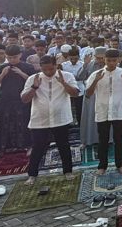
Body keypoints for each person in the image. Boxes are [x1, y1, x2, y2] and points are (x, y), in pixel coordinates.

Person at [20, 55, 79, 184]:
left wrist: (63, 83)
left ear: (56, 66)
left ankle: (68, 171)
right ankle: (32, 175)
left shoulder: (67, 76)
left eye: (51, 69)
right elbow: (24, 99)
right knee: (38, 147)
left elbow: (75, 93)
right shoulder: (33, 79)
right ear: (40, 68)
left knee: (63, 146)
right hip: (40, 120)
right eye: (45, 69)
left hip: (60, 118)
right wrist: (34, 87)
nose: (48, 72)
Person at [85, 49, 122, 175]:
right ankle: (102, 166)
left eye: (114, 60)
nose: (111, 63)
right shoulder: (96, 74)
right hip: (102, 111)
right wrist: (96, 80)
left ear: (118, 60)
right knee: (103, 140)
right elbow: (88, 94)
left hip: (119, 112)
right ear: (104, 60)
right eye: (109, 60)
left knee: (119, 139)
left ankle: (120, 164)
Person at [0, 44, 35, 158]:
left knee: (25, 122)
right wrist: (3, 74)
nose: (12, 60)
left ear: (20, 55)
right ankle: (0, 150)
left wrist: (20, 73)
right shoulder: (1, 68)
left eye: (14, 57)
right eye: (9, 58)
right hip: (5, 99)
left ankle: (29, 146)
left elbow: (34, 82)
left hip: (23, 99)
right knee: (2, 124)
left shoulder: (28, 67)